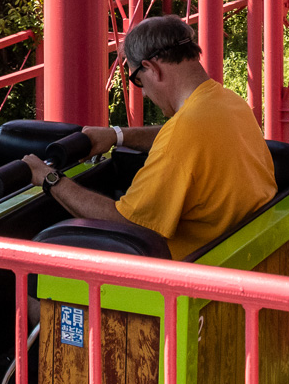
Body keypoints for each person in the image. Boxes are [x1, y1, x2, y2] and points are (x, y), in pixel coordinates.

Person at [24, 15, 275, 259]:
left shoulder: (183, 134)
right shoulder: (228, 102)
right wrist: (116, 135)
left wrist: (48, 177)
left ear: (151, 68)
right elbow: (180, 136)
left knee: (37, 275)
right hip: (241, 250)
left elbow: (126, 224)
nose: (143, 94)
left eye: (137, 80)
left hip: (187, 278)